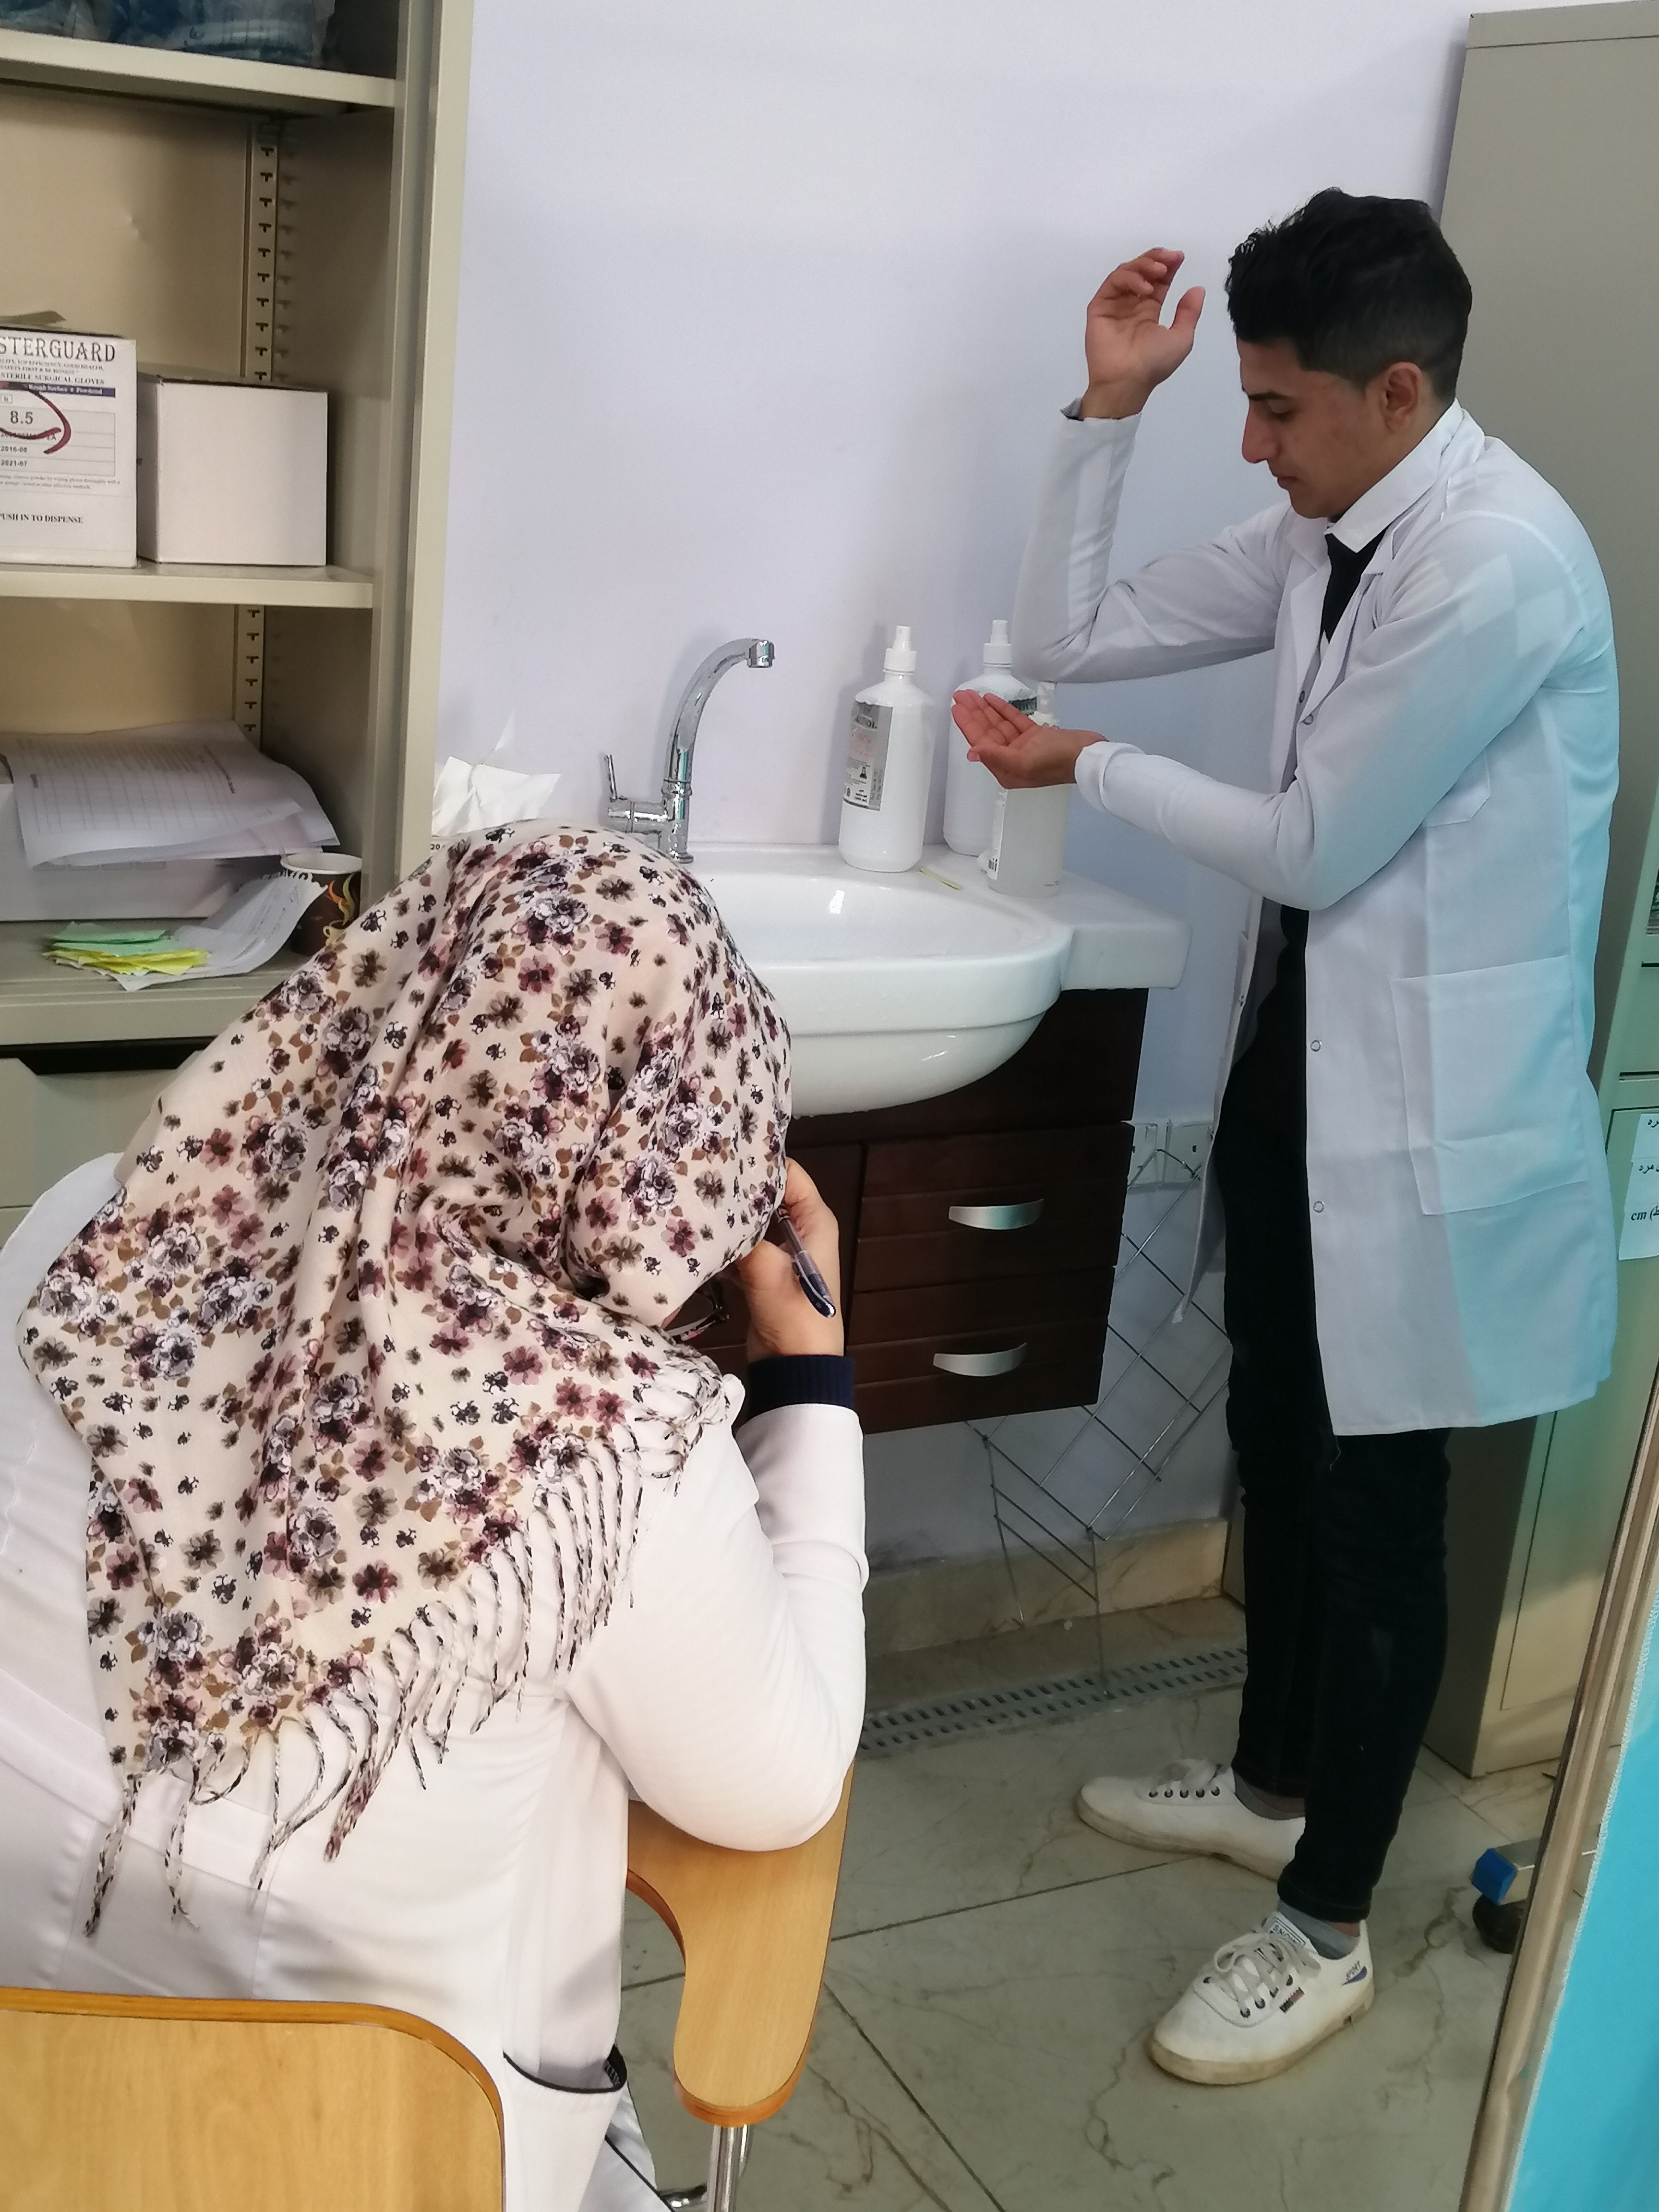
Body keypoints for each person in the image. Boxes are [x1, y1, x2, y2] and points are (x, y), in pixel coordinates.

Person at [952, 189, 1618, 2084]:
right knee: (1277, 1436)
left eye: (1276, 407)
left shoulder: (1493, 561)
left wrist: (1087, 769)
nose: (1253, 447)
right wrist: (1112, 403)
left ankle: (1326, 1929)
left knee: (1378, 1512)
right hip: (1300, 1066)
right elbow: (1069, 630)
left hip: (1425, 1117)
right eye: (1240, 403)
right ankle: (1271, 1784)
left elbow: (1317, 842)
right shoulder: (1335, 524)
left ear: (1397, 392)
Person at [0, 825, 866, 2210]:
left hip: (29, 2128)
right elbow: (784, 1786)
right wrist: (809, 1383)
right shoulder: (612, 1441)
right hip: (382, 2166)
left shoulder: (87, 1226)